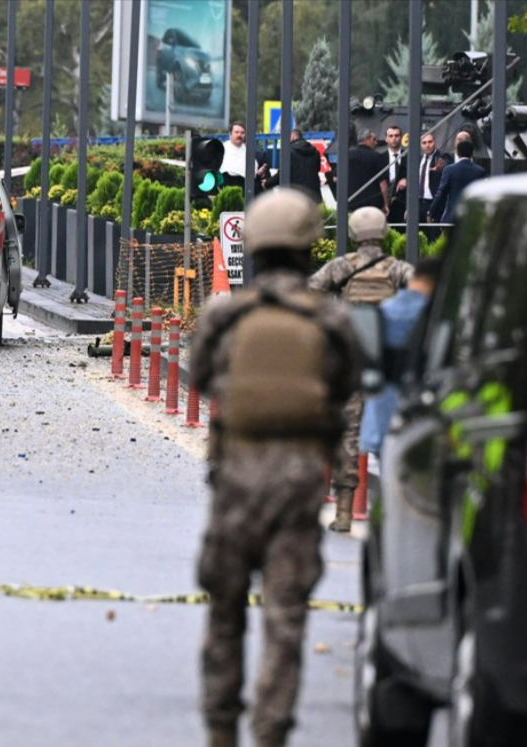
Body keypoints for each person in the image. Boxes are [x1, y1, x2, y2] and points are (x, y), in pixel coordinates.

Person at [191, 188, 360, 747]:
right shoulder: (330, 319)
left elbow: (199, 376)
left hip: (236, 478)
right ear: (310, 247)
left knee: (224, 613)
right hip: (297, 486)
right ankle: (271, 732)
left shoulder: (226, 314)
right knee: (285, 620)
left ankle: (220, 729)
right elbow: (347, 385)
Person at [308, 206, 412, 532]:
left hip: (352, 362)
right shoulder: (398, 270)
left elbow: (310, 292)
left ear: (353, 233)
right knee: (396, 435)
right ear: (383, 233)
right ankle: (396, 518)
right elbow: (424, 297)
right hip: (389, 365)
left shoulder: (342, 266)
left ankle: (343, 513)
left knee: (348, 436)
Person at [359, 257, 439, 457]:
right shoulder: (436, 316)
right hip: (418, 428)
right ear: (434, 282)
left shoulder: (382, 311)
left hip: (378, 423)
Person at [429, 139, 485, 226]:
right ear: (472, 153)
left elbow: (441, 193)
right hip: (472, 218)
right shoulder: (480, 171)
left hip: (452, 217)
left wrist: (431, 212)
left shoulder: (449, 169)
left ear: (458, 153)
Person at [402, 132, 447, 232]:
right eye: (424, 143)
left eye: (430, 142)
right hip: (417, 203)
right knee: (412, 235)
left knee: (433, 236)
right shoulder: (417, 159)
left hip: (433, 204)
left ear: (435, 142)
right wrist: (408, 206)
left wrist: (441, 169)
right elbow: (412, 185)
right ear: (420, 144)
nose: (427, 145)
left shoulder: (442, 157)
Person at [265, 129, 322, 203]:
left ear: (292, 136)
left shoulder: (288, 152)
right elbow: (317, 169)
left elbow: (282, 175)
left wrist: (267, 183)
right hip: (314, 196)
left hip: (295, 197)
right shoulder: (315, 152)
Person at [348, 129, 389, 212]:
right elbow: (383, 183)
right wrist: (386, 204)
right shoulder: (376, 156)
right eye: (374, 139)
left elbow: (336, 178)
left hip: (351, 204)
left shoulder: (347, 155)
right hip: (372, 204)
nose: (376, 142)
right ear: (366, 140)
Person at [383, 125, 407, 218]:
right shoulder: (380, 158)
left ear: (401, 138)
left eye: (396, 136)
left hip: (403, 203)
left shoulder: (409, 157)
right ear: (386, 139)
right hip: (384, 202)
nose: (394, 138)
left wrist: (407, 180)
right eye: (391, 136)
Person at [221, 122, 249, 191]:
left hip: (243, 185)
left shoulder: (247, 150)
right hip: (226, 183)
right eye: (236, 132)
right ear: (230, 134)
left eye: (242, 133)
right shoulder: (222, 148)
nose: (239, 135)